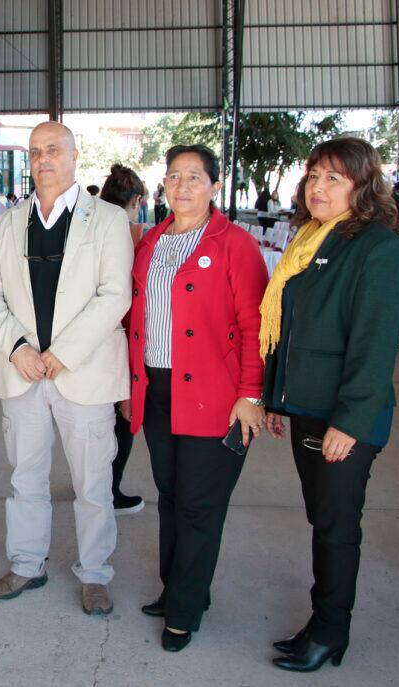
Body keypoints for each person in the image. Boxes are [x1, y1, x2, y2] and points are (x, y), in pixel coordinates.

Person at [261, 137, 399, 672]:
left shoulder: (378, 246)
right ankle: (321, 624)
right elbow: (292, 327)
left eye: (333, 178)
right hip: (306, 406)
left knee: (336, 524)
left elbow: (374, 344)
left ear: (362, 185)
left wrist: (350, 421)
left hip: (346, 417)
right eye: (313, 176)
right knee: (322, 518)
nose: (317, 187)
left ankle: (330, 632)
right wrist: (278, 399)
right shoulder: (310, 238)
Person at [0, 121, 133, 615]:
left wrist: (62, 352)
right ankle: (26, 563)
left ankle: (95, 573)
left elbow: (115, 295)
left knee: (92, 483)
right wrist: (17, 347)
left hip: (81, 372)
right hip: (22, 372)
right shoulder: (8, 222)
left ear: (73, 155)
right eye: (35, 151)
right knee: (26, 476)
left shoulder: (106, 219)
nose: (44, 159)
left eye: (53, 150)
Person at [127, 144, 269, 653]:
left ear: (213, 184)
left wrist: (251, 394)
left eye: (193, 176)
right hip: (158, 388)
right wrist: (131, 385)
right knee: (170, 496)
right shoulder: (151, 242)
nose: (182, 185)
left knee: (199, 506)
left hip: (217, 395)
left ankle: (185, 611)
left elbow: (256, 327)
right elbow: (135, 320)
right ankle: (178, 591)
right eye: (173, 176)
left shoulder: (236, 245)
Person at [98, 163, 149, 514]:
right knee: (124, 417)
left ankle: (95, 480)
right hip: (128, 337)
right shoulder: (143, 237)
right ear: (138, 200)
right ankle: (110, 489)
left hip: (91, 336)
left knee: (95, 419)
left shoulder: (89, 231)